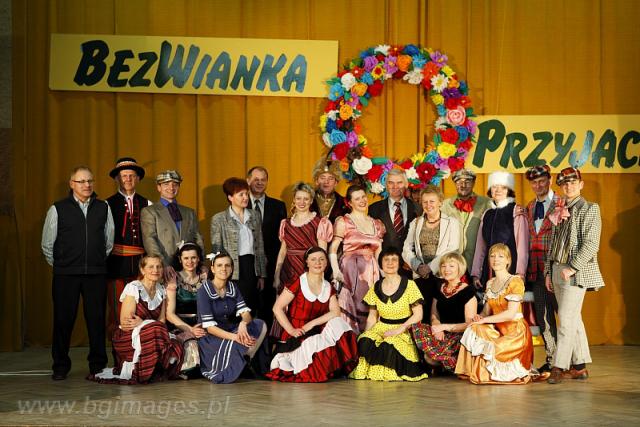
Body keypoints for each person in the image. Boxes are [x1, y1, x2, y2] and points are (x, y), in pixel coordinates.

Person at [41, 166, 114, 380]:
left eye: (90, 181)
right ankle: (60, 366)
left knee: (96, 320)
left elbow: (108, 241)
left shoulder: (103, 207)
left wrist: (95, 260)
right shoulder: (58, 209)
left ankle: (98, 366)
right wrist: (63, 265)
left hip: (96, 274)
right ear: (72, 184)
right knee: (63, 321)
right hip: (66, 275)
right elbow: (47, 244)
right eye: (81, 181)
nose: (87, 185)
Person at [546, 167, 604, 384]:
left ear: (581, 184)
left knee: (566, 320)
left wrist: (572, 267)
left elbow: (591, 244)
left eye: (572, 182)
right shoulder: (559, 208)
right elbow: (552, 244)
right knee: (573, 319)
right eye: (564, 183)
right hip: (557, 268)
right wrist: (548, 271)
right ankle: (579, 367)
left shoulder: (590, 208)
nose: (568, 186)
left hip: (574, 272)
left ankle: (559, 366)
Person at [267, 247, 358, 382]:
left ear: (326, 263)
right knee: (310, 360)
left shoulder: (328, 287)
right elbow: (277, 308)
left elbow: (335, 312)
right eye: (313, 259)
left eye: (321, 259)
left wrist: (312, 323)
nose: (318, 263)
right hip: (297, 334)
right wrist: (291, 330)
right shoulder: (297, 282)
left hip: (315, 331)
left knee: (338, 323)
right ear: (307, 262)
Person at [93, 255, 184, 384]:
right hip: (128, 337)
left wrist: (143, 323)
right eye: (151, 267)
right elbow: (126, 323)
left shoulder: (161, 290)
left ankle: (156, 370)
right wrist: (148, 326)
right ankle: (143, 372)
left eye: (158, 267)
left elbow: (162, 322)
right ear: (142, 270)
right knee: (155, 328)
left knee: (176, 343)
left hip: (153, 334)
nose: (155, 270)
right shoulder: (134, 287)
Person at [455, 244, 535, 384]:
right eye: (492, 256)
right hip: (498, 330)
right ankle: (468, 370)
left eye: (500, 256)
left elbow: (510, 314)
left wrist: (484, 320)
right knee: (474, 327)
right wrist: (479, 317)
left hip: (516, 333)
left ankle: (490, 373)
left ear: (508, 260)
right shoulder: (490, 283)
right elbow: (486, 312)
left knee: (492, 348)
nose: (495, 259)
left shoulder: (515, 281)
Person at [350, 247, 428, 381]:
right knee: (365, 341)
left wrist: (400, 329)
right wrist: (365, 335)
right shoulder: (376, 286)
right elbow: (372, 317)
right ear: (381, 263)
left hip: (403, 328)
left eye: (394, 260)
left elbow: (418, 315)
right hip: (381, 327)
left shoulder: (410, 285)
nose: (390, 263)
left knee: (389, 344)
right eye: (386, 260)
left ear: (399, 263)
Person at [270, 182, 333, 339]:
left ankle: (307, 338)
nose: (302, 202)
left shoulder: (320, 222)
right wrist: (277, 275)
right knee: (286, 306)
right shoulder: (286, 223)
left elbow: (322, 252)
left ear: (311, 201)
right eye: (298, 198)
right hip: (288, 270)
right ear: (294, 200)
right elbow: (282, 251)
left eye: (306, 199)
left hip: (308, 269)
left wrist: (321, 274)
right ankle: (287, 339)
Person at [197, 251, 269, 383]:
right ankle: (240, 365)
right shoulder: (204, 290)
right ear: (212, 269)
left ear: (231, 269)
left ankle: (246, 360)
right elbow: (210, 328)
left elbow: (246, 314)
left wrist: (243, 323)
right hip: (211, 337)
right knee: (239, 341)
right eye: (219, 265)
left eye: (227, 265)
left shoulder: (232, 287)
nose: (223, 269)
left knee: (259, 324)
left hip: (229, 329)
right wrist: (236, 337)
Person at [329, 184, 386, 334]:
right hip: (350, 270)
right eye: (357, 199)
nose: (362, 201)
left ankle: (367, 341)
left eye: (363, 197)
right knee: (352, 305)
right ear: (349, 203)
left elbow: (378, 251)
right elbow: (333, 248)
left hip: (371, 270)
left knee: (371, 307)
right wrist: (336, 271)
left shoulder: (377, 224)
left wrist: (383, 272)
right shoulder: (344, 222)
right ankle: (351, 342)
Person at [410, 252, 477, 375]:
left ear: (460, 268)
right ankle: (444, 364)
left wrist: (444, 327)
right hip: (441, 333)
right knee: (427, 356)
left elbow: (470, 325)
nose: (447, 269)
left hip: (459, 335)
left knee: (433, 358)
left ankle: (451, 363)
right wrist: (437, 326)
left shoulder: (468, 291)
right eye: (443, 266)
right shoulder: (439, 287)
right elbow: (434, 315)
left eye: (451, 266)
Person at [106, 157, 151, 337]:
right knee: (116, 307)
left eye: (131, 175)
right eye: (124, 176)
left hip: (141, 265)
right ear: (118, 179)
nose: (128, 179)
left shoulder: (147, 203)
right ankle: (118, 345)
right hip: (115, 265)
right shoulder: (106, 204)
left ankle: (137, 345)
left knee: (140, 306)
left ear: (137, 179)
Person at [402, 185, 461, 322]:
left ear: (440, 202)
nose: (428, 205)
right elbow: (406, 248)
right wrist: (418, 266)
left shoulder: (452, 222)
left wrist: (430, 267)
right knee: (421, 316)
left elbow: (452, 248)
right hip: (420, 276)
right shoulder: (416, 222)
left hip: (442, 276)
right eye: (425, 202)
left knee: (440, 315)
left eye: (432, 201)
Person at [210, 177, 267, 315]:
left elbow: (260, 245)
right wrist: (220, 273)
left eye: (246, 194)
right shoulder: (219, 218)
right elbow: (217, 249)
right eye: (241, 194)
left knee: (251, 306)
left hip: (251, 267)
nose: (245, 197)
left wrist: (261, 274)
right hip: (231, 268)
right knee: (233, 307)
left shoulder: (255, 215)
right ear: (230, 197)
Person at [524, 165, 559, 373]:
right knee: (544, 317)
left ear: (550, 180)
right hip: (536, 271)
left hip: (556, 269)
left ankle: (574, 362)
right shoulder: (529, 207)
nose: (538, 186)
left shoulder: (562, 204)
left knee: (566, 317)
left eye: (542, 181)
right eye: (534, 182)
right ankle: (553, 360)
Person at [471, 171, 529, 289]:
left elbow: (522, 246)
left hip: (510, 269)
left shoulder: (516, 211)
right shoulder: (487, 213)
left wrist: (520, 273)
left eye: (503, 187)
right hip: (489, 269)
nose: (498, 190)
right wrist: (476, 273)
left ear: (509, 190)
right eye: (494, 187)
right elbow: (480, 246)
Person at [247, 166, 287, 328]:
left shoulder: (278, 206)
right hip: (247, 264)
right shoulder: (240, 203)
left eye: (263, 180)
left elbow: (282, 239)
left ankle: (267, 339)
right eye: (256, 179)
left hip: (270, 265)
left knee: (268, 306)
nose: (259, 183)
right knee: (247, 305)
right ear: (248, 181)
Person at [141, 170, 204, 267]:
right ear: (159, 187)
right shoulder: (149, 211)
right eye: (166, 184)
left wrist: (201, 263)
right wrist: (162, 265)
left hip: (188, 267)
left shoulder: (189, 212)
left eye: (175, 184)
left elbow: (198, 239)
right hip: (164, 266)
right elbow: (150, 240)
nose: (171, 188)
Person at [164, 242, 208, 378]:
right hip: (180, 326)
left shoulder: (205, 277)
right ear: (180, 259)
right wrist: (190, 329)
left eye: (193, 257)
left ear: (198, 259)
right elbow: (169, 314)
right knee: (192, 344)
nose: (190, 261)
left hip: (202, 325)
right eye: (186, 258)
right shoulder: (173, 279)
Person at [368, 169, 418, 278]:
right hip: (384, 269)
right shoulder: (374, 209)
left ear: (406, 184)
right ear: (386, 185)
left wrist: (413, 262)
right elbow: (371, 242)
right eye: (391, 183)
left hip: (411, 269)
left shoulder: (418, 208)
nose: (395, 186)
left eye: (399, 182)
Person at [441, 169, 492, 271]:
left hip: (478, 263)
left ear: (473, 183)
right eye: (459, 182)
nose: (463, 185)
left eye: (467, 182)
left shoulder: (487, 203)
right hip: (452, 263)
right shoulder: (444, 205)